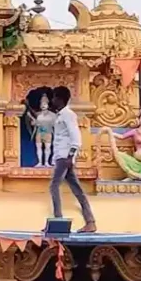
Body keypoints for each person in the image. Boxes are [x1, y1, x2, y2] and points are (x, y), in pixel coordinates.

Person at [49, 86, 97, 232]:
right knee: (77, 189)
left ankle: (57, 220)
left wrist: (71, 155)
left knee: (54, 186)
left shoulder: (68, 115)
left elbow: (76, 137)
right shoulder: (61, 115)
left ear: (60, 99)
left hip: (65, 156)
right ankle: (90, 221)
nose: (52, 100)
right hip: (62, 156)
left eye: (54, 97)